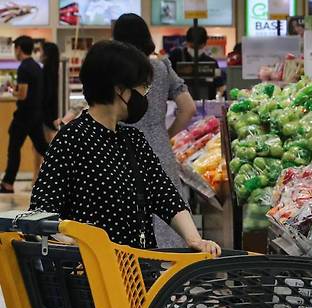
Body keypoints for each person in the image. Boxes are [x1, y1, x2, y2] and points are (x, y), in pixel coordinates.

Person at [29, 40, 220, 256]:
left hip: (137, 272)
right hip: (89, 275)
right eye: (143, 87)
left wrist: (194, 239)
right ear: (120, 90)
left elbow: (165, 194)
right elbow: (43, 211)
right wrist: (74, 246)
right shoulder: (70, 140)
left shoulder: (133, 139)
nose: (145, 94)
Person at [112, 13, 196, 248]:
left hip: (120, 146)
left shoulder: (116, 70)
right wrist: (166, 134)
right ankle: (169, 275)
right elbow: (187, 108)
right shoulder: (160, 67)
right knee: (168, 213)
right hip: (159, 146)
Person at [1, 36, 48, 193]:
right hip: (36, 114)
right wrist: (15, 89)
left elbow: (22, 95)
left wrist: (12, 91)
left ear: (19, 48)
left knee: (14, 148)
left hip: (23, 115)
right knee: (43, 147)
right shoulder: (36, 66)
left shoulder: (23, 68)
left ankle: (8, 183)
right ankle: (66, 171)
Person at [31, 42, 60, 185]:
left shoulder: (45, 71)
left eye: (40, 51)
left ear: (46, 54)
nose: (39, 54)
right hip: (54, 113)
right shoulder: (57, 71)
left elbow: (45, 95)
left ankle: (37, 178)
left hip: (45, 115)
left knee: (40, 147)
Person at [168, 26, 224, 98]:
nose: (195, 50)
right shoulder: (176, 57)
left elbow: (220, 86)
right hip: (180, 102)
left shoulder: (211, 62)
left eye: (199, 47)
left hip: (206, 103)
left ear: (204, 44)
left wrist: (217, 97)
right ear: (187, 42)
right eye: (192, 47)